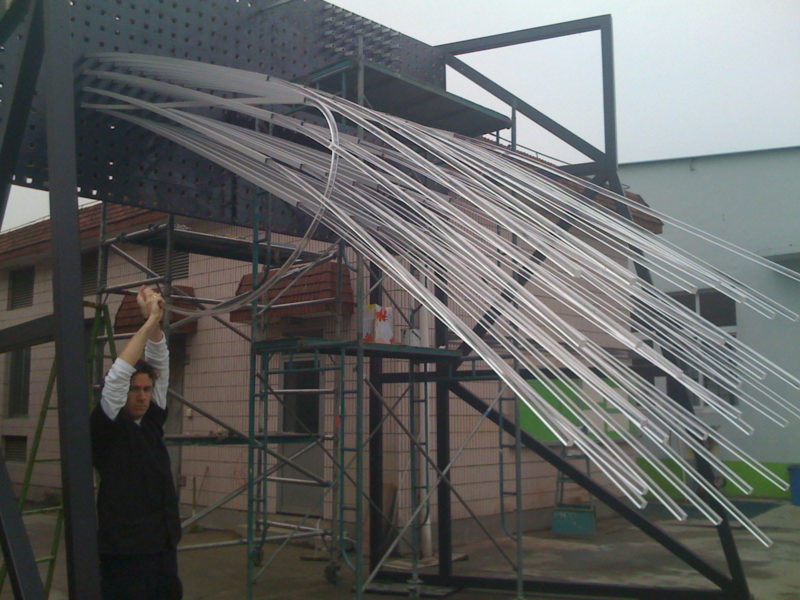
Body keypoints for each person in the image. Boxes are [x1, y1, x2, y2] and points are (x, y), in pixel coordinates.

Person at [90, 285, 182, 600]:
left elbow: (160, 360)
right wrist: (148, 322)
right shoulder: (108, 425)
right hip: (125, 553)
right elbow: (117, 376)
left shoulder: (152, 421)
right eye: (135, 390)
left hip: (162, 547)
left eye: (146, 389)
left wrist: (155, 320)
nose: (142, 395)